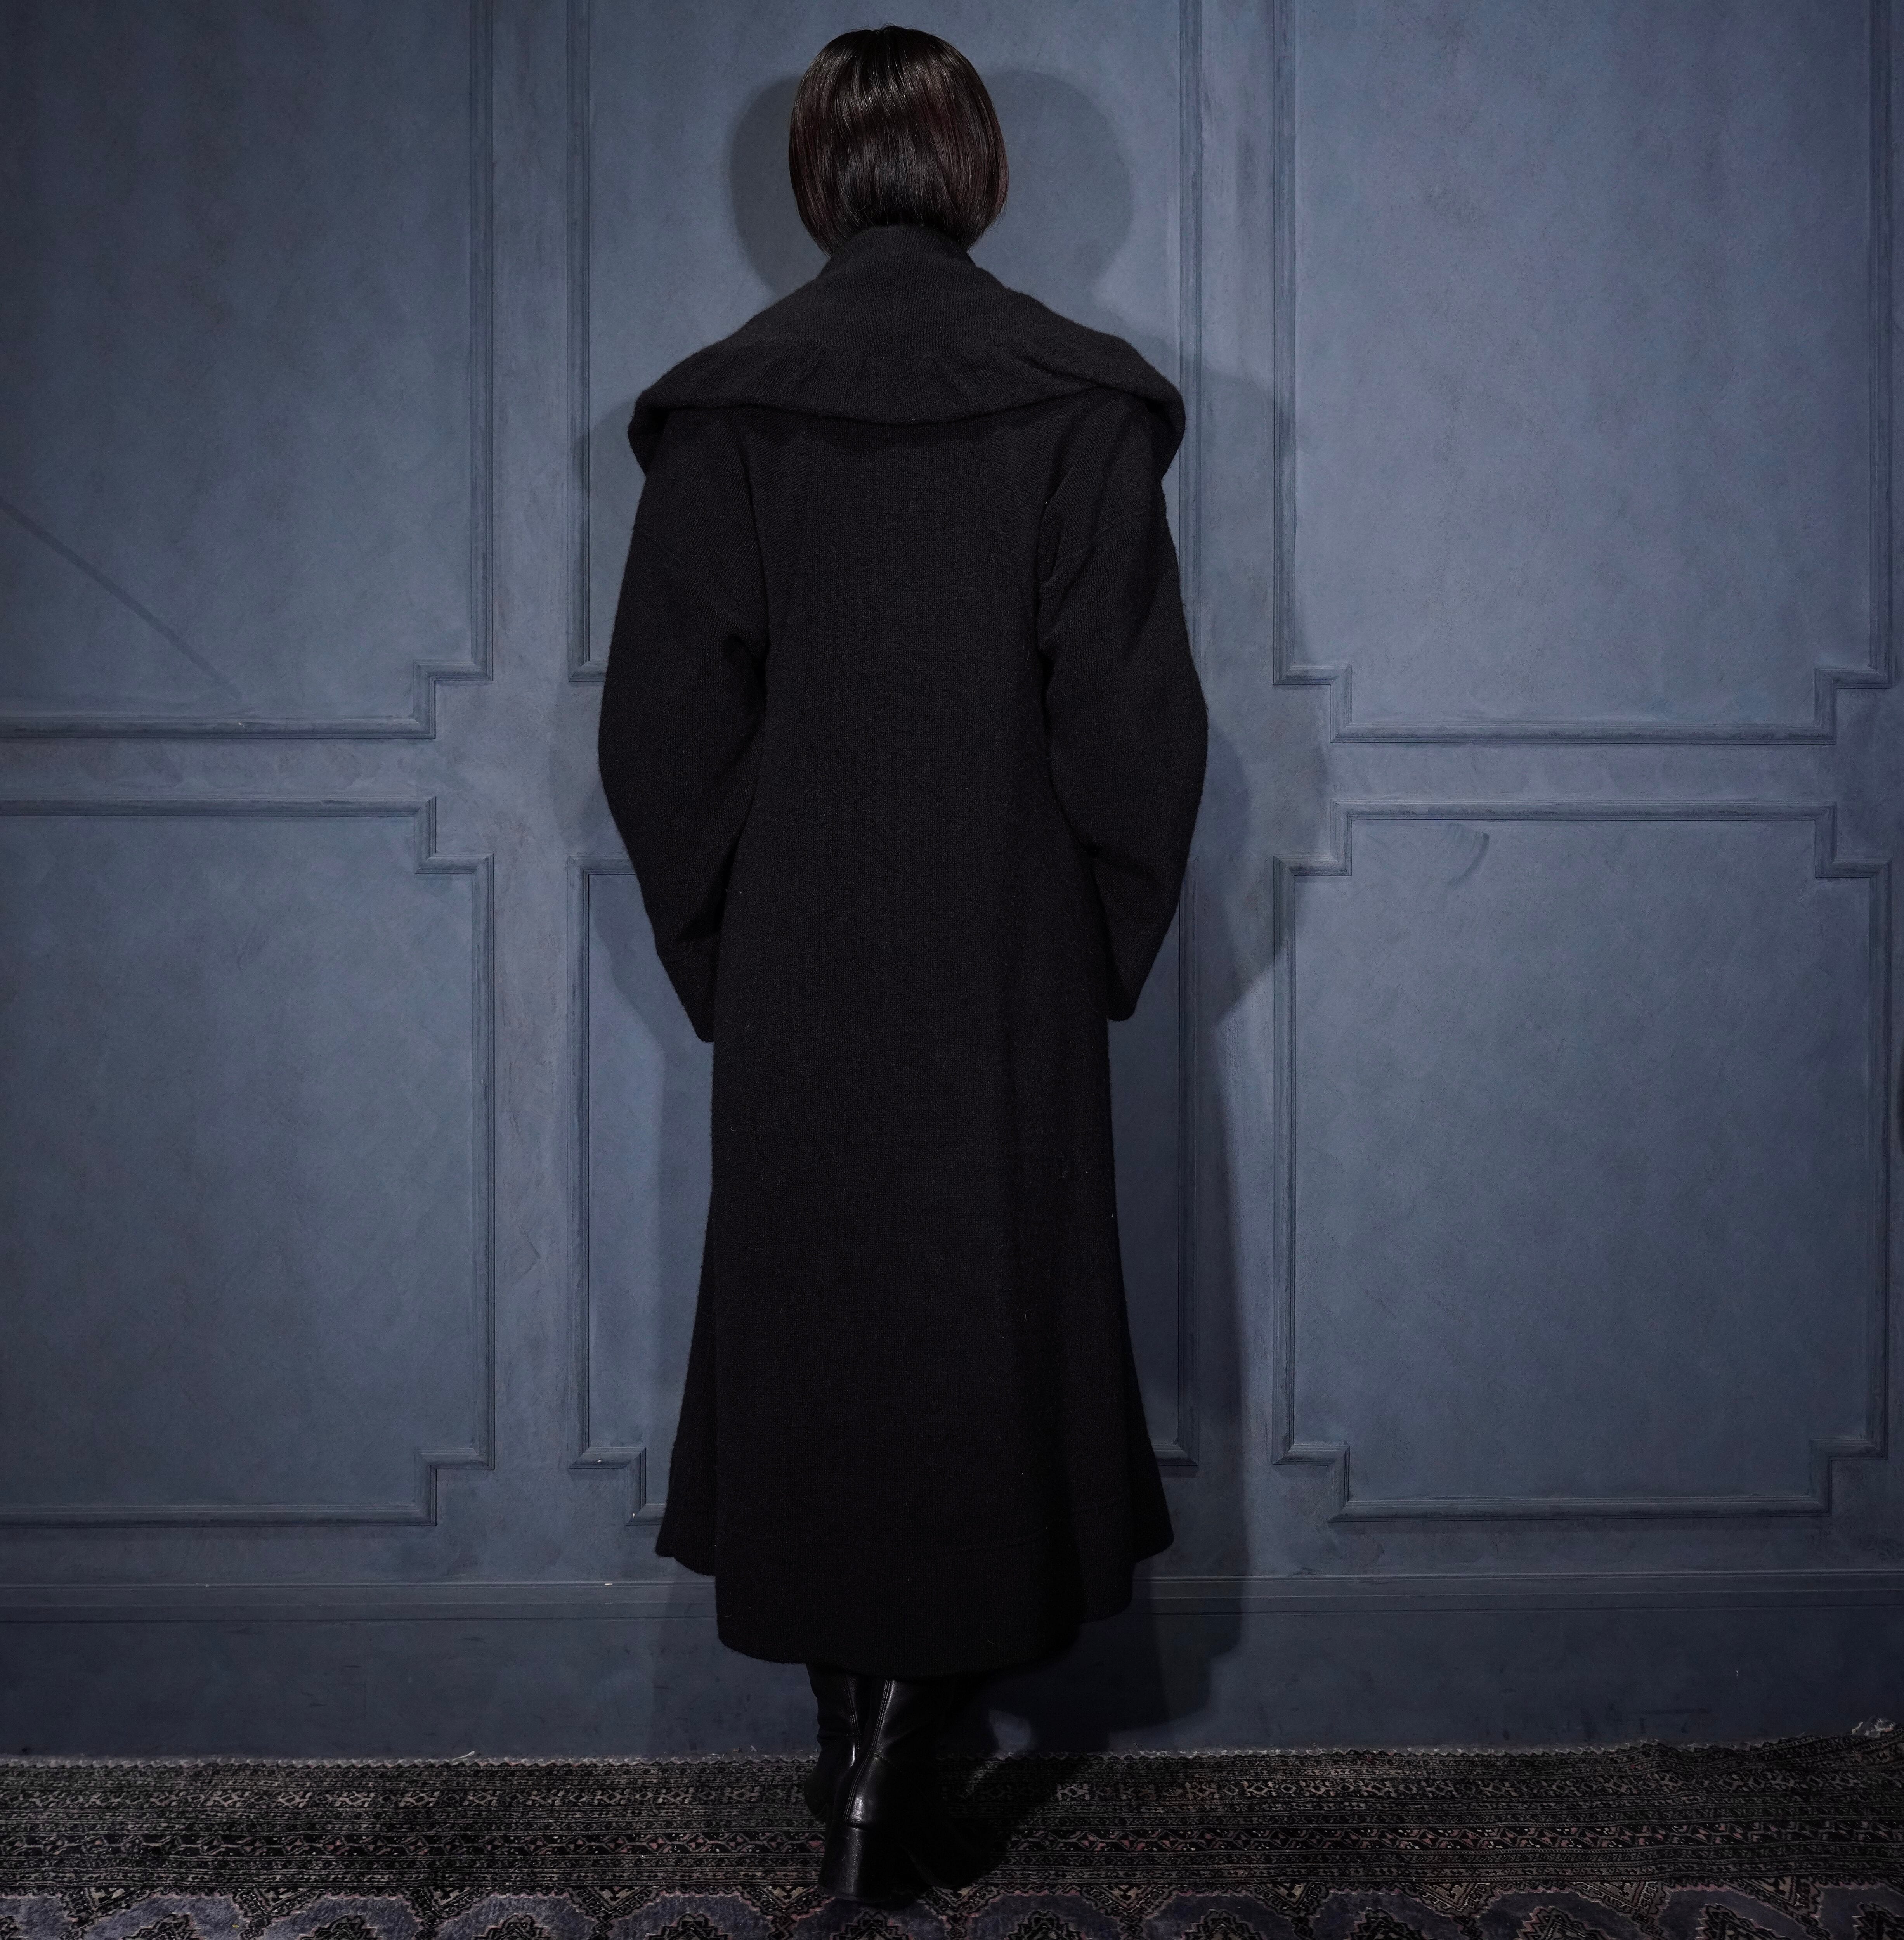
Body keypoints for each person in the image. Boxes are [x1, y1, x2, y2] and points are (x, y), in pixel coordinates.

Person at [597, 24, 1207, 1907]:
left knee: (823, 1336)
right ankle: (894, 1766)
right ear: (980, 173)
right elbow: (1135, 735)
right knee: (987, 1338)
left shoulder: (729, 412)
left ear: (812, 179)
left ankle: (854, 1757)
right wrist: (1086, 939)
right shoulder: (1075, 404)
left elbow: (658, 735)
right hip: (1004, 947)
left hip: (800, 944)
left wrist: (730, 948)